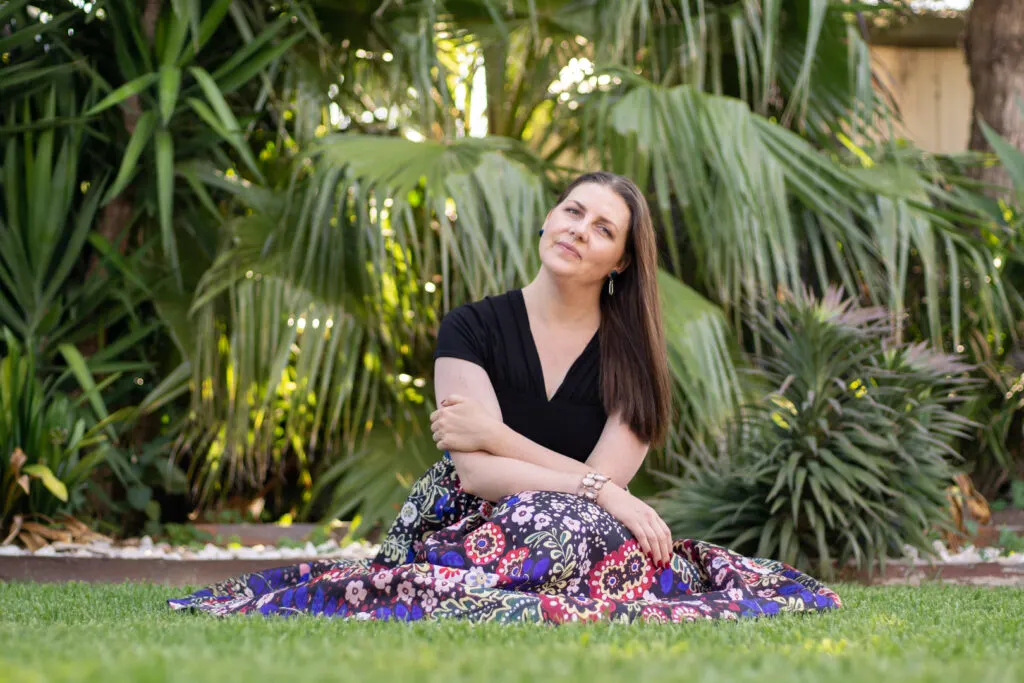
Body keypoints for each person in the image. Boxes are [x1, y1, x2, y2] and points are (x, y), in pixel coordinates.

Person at [168, 172, 841, 623]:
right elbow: (477, 472)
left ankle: (512, 588)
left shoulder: (635, 364)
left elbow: (571, 487)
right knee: (565, 518)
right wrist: (599, 486)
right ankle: (512, 585)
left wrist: (524, 450)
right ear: (548, 219)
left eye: (604, 228)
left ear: (622, 261)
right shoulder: (470, 326)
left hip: (583, 533)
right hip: (469, 518)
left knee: (577, 525)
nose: (580, 229)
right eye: (573, 210)